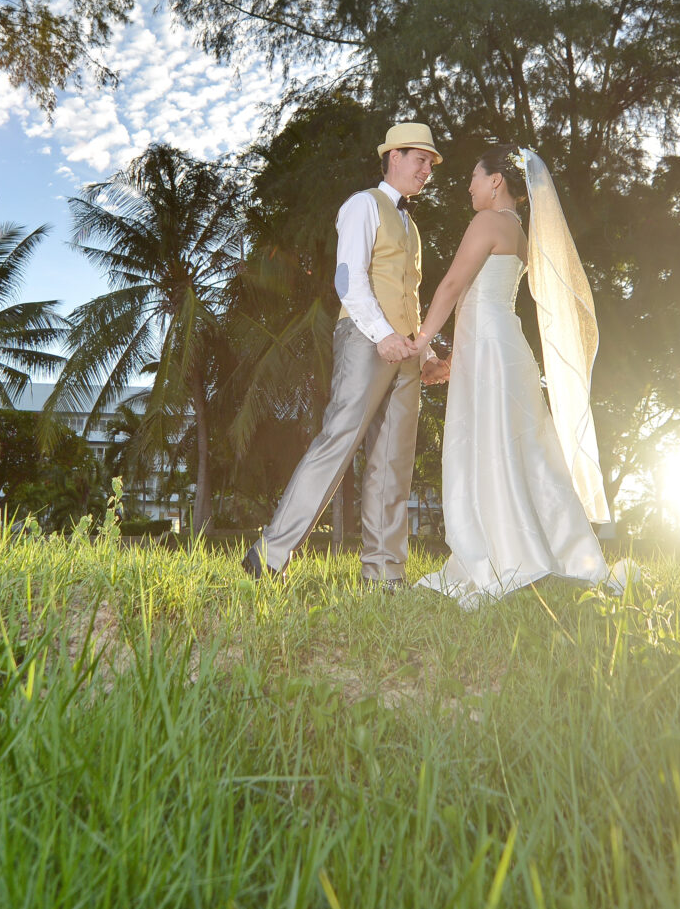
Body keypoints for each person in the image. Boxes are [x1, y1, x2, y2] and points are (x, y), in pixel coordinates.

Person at [243, 123, 450, 587]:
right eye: (421, 160)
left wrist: (428, 353)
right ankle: (269, 554)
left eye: (431, 165)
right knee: (339, 440)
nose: (427, 171)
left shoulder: (411, 226)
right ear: (394, 156)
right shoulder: (363, 205)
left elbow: (408, 297)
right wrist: (381, 335)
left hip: (406, 351)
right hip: (365, 338)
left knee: (393, 463)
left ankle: (384, 575)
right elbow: (347, 280)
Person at [414, 148, 617, 608]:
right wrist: (453, 359)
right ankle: (550, 549)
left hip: (489, 345)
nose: (468, 187)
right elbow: (482, 300)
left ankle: (510, 554)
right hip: (500, 346)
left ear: (496, 181)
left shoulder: (486, 223)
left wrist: (422, 339)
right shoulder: (521, 233)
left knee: (489, 446)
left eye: (473, 177)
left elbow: (451, 286)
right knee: (522, 447)